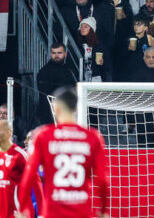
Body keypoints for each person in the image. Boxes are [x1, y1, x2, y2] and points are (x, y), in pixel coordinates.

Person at [19, 86, 109, 218]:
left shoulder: (44, 135)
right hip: (81, 211)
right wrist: (103, 210)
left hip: (53, 212)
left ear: (56, 108)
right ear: (76, 108)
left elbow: (30, 175)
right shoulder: (93, 137)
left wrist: (22, 208)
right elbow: (102, 180)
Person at [0, 119, 41, 217]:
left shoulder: (20, 155)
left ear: (9, 133)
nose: (26, 141)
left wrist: (41, 213)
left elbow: (37, 184)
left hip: (16, 213)